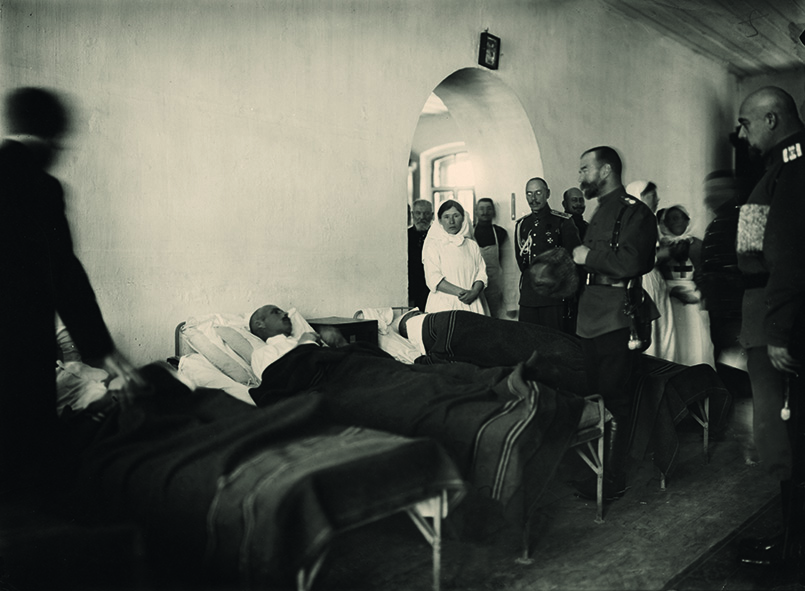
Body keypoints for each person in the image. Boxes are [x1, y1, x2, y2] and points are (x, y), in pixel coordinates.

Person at [0, 87, 143, 490]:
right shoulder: (40, 185)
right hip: (21, 342)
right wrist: (103, 350)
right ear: (54, 134)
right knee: (29, 457)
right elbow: (64, 273)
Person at [734, 86, 805, 571]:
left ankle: (793, 550)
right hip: (771, 311)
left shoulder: (793, 168)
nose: (743, 134)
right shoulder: (780, 168)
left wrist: (777, 330)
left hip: (781, 318)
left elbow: (790, 256)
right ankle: (791, 540)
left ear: (772, 119)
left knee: (787, 435)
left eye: (746, 123)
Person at [572, 146, 658, 500]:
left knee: (615, 399)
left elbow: (633, 263)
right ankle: (596, 473)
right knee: (595, 397)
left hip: (615, 316)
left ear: (605, 170)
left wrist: (588, 256)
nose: (581, 176)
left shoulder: (635, 212)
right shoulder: (600, 210)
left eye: (585, 168)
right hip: (589, 315)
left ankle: (611, 479)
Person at [515, 177, 581, 330]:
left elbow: (574, 262)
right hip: (528, 298)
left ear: (548, 194)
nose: (533, 198)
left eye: (538, 193)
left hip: (554, 297)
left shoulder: (562, 222)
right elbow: (522, 263)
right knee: (527, 339)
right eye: (529, 194)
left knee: (554, 340)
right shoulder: (522, 225)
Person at [656, 205, 716, 368]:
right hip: (668, 300)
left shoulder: (697, 245)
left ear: (687, 220)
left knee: (696, 342)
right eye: (669, 219)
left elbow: (706, 275)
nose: (673, 223)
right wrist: (672, 291)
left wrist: (698, 295)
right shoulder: (661, 248)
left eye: (677, 218)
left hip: (693, 300)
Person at [626, 180, 677, 364]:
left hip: (656, 279)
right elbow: (632, 258)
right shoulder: (632, 223)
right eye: (652, 195)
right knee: (651, 331)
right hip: (642, 281)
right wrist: (660, 255)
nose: (657, 199)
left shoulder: (649, 221)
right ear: (639, 197)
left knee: (665, 331)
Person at [422, 199, 489, 315]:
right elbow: (433, 278)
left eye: (456, 216)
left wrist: (474, 292)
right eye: (446, 217)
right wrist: (462, 293)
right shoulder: (433, 245)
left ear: (463, 218)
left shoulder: (471, 245)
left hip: (472, 302)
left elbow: (481, 273)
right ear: (440, 221)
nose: (451, 221)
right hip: (443, 304)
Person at [473, 198, 508, 318]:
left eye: (488, 209)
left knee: (495, 321)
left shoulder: (500, 233)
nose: (485, 212)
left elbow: (508, 267)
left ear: (493, 212)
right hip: (475, 289)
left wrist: (511, 301)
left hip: (495, 288)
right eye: (481, 209)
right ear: (476, 211)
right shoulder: (469, 233)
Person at [561, 187, 589, 334]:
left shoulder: (588, 227)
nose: (578, 204)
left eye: (580, 200)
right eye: (574, 200)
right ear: (564, 204)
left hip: (585, 285)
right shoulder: (559, 225)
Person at [407, 199, 433, 312]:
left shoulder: (437, 236)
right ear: (412, 214)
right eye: (418, 213)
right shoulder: (405, 236)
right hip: (412, 288)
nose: (422, 217)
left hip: (432, 288)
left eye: (426, 213)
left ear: (432, 215)